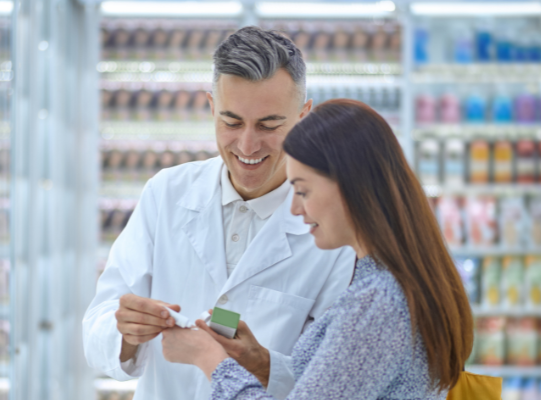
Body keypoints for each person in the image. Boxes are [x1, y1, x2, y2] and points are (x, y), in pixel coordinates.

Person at [83, 27, 356, 400]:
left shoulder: (333, 227)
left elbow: (337, 381)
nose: (247, 144)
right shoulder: (166, 193)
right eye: (231, 122)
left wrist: (262, 363)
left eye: (269, 125)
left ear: (303, 116)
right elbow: (98, 327)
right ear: (211, 107)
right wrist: (126, 332)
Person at [161, 99, 475, 399]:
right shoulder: (387, 281)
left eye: (302, 190)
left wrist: (209, 359)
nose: (295, 209)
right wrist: (258, 360)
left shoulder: (376, 302)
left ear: (353, 186)